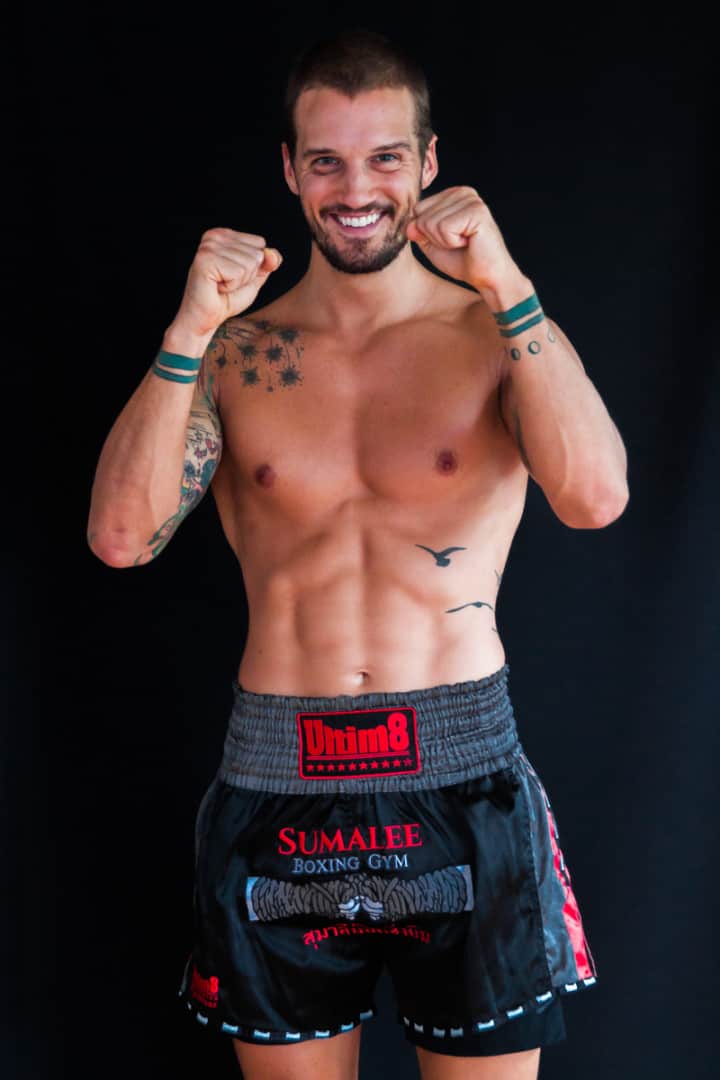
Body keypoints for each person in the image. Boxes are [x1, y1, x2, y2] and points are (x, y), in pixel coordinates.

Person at [87, 26, 628, 1080]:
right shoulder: (238, 353)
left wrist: (506, 276)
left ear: (429, 164)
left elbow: (596, 498)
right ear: (290, 170)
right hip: (277, 781)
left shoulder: (493, 335)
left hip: (463, 773)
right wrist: (191, 324)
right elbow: (119, 537)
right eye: (326, 160)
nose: (356, 188)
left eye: (386, 157)